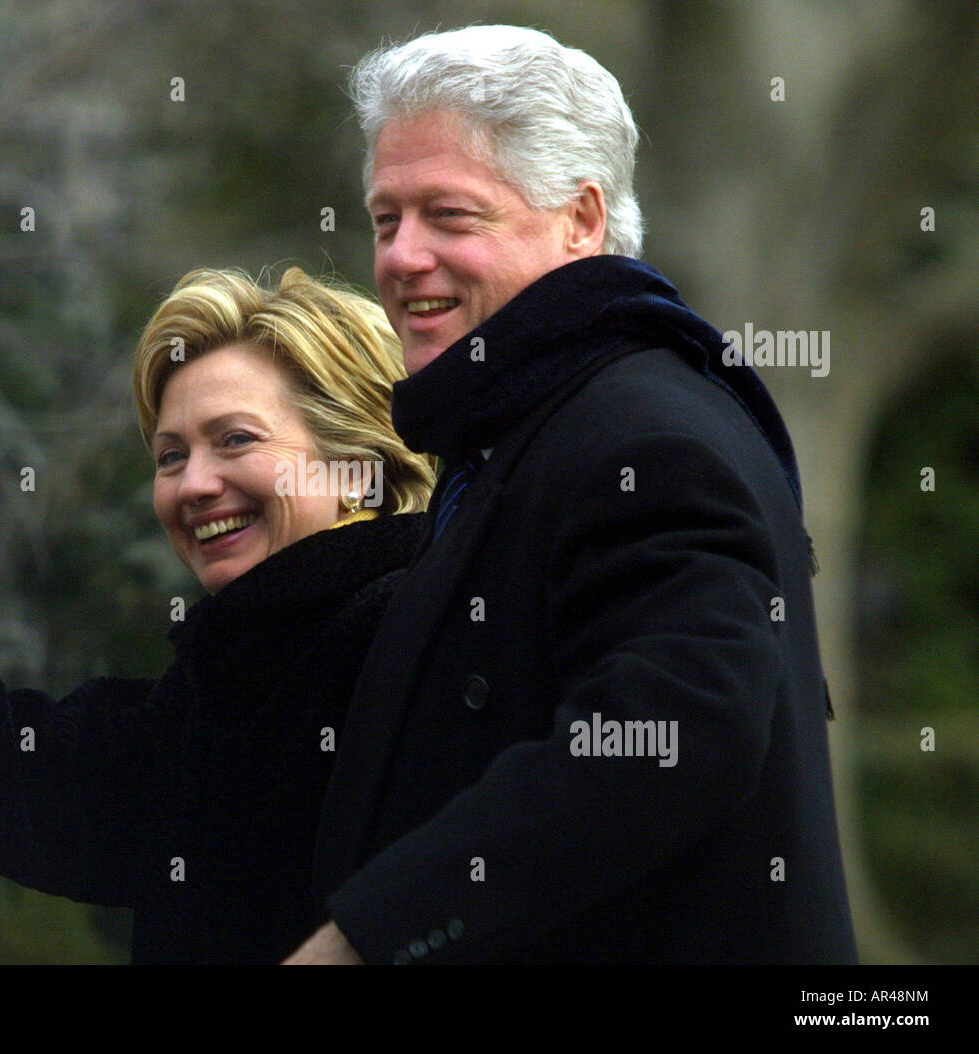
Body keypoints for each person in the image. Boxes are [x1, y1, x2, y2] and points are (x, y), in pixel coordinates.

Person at [284, 25, 858, 964]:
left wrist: (369, 935)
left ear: (583, 220)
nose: (401, 257)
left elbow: (677, 728)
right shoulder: (536, 427)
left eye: (451, 216)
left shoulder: (641, 435)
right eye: (386, 219)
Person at [0, 266, 435, 964]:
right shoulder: (218, 689)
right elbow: (14, 782)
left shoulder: (424, 641)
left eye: (237, 440)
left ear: (356, 465)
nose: (193, 485)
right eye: (171, 455)